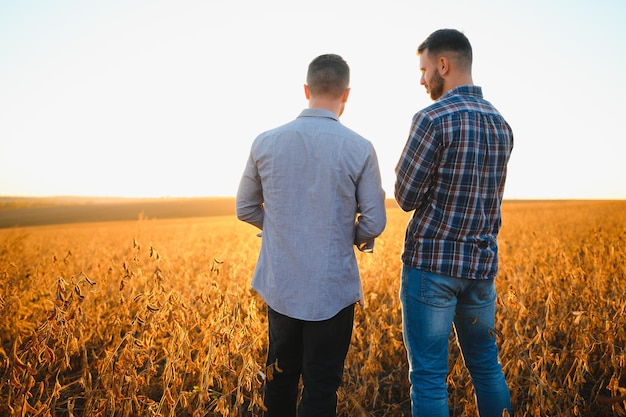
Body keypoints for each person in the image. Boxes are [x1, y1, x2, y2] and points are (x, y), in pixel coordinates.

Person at [236, 53, 387, 417]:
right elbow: (375, 222)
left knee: (280, 378)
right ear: (346, 94)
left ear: (306, 89)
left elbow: (245, 208)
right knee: (321, 385)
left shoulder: (265, 142)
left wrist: (280, 228)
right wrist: (342, 233)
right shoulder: (360, 147)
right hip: (332, 289)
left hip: (281, 286)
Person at [394, 29, 513, 416]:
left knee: (428, 375)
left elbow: (406, 197)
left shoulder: (431, 119)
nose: (422, 79)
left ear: (443, 65)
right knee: (486, 365)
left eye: (425, 68)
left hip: (433, 268)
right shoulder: (501, 124)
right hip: (481, 270)